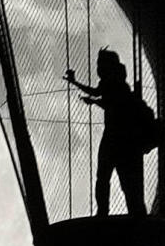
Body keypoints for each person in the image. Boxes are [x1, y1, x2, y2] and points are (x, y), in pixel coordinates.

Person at [63, 48, 147, 217]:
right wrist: (75, 83)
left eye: (100, 64)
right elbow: (97, 93)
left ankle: (118, 213)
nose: (98, 68)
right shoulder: (112, 84)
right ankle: (120, 212)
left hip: (118, 138)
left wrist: (94, 101)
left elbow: (111, 103)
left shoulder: (118, 86)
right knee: (112, 178)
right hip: (117, 137)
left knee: (111, 178)